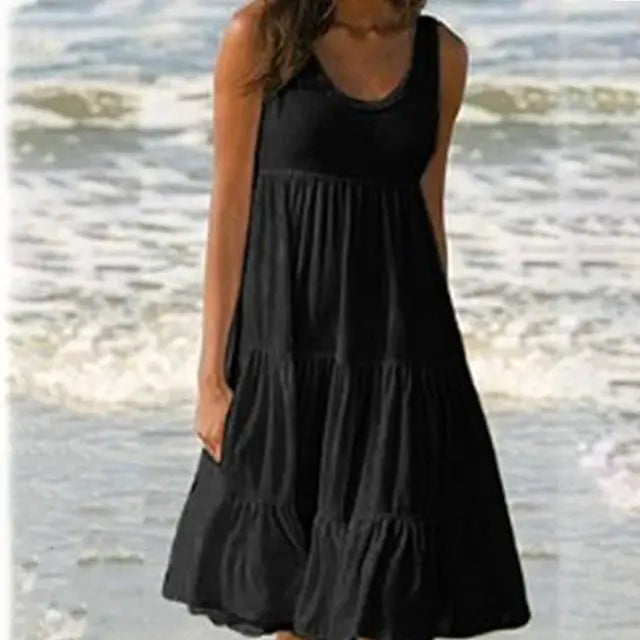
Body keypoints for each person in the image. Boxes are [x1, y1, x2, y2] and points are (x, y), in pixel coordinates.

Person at [161, 0, 532, 638]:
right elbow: (229, 211)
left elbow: (428, 212)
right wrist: (211, 379)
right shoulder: (261, 35)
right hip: (287, 351)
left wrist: (431, 382)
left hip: (398, 355)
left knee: (388, 604)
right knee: (291, 605)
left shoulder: (441, 55)